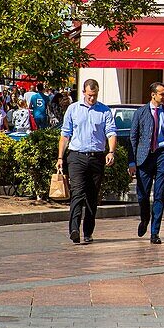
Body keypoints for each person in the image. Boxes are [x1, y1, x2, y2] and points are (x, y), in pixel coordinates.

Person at [56, 79, 117, 245]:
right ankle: (74, 229)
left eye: (95, 95)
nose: (92, 98)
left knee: (92, 195)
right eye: (90, 95)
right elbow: (65, 134)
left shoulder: (104, 111)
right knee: (77, 192)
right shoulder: (73, 109)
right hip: (76, 156)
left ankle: (88, 231)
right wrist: (60, 157)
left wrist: (111, 151)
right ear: (83, 92)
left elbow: (111, 133)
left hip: (97, 157)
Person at [128, 82, 164, 244]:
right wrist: (132, 162)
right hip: (144, 158)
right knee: (143, 195)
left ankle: (155, 232)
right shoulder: (141, 113)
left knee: (159, 196)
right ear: (153, 95)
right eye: (162, 94)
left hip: (162, 156)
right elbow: (133, 138)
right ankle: (145, 219)